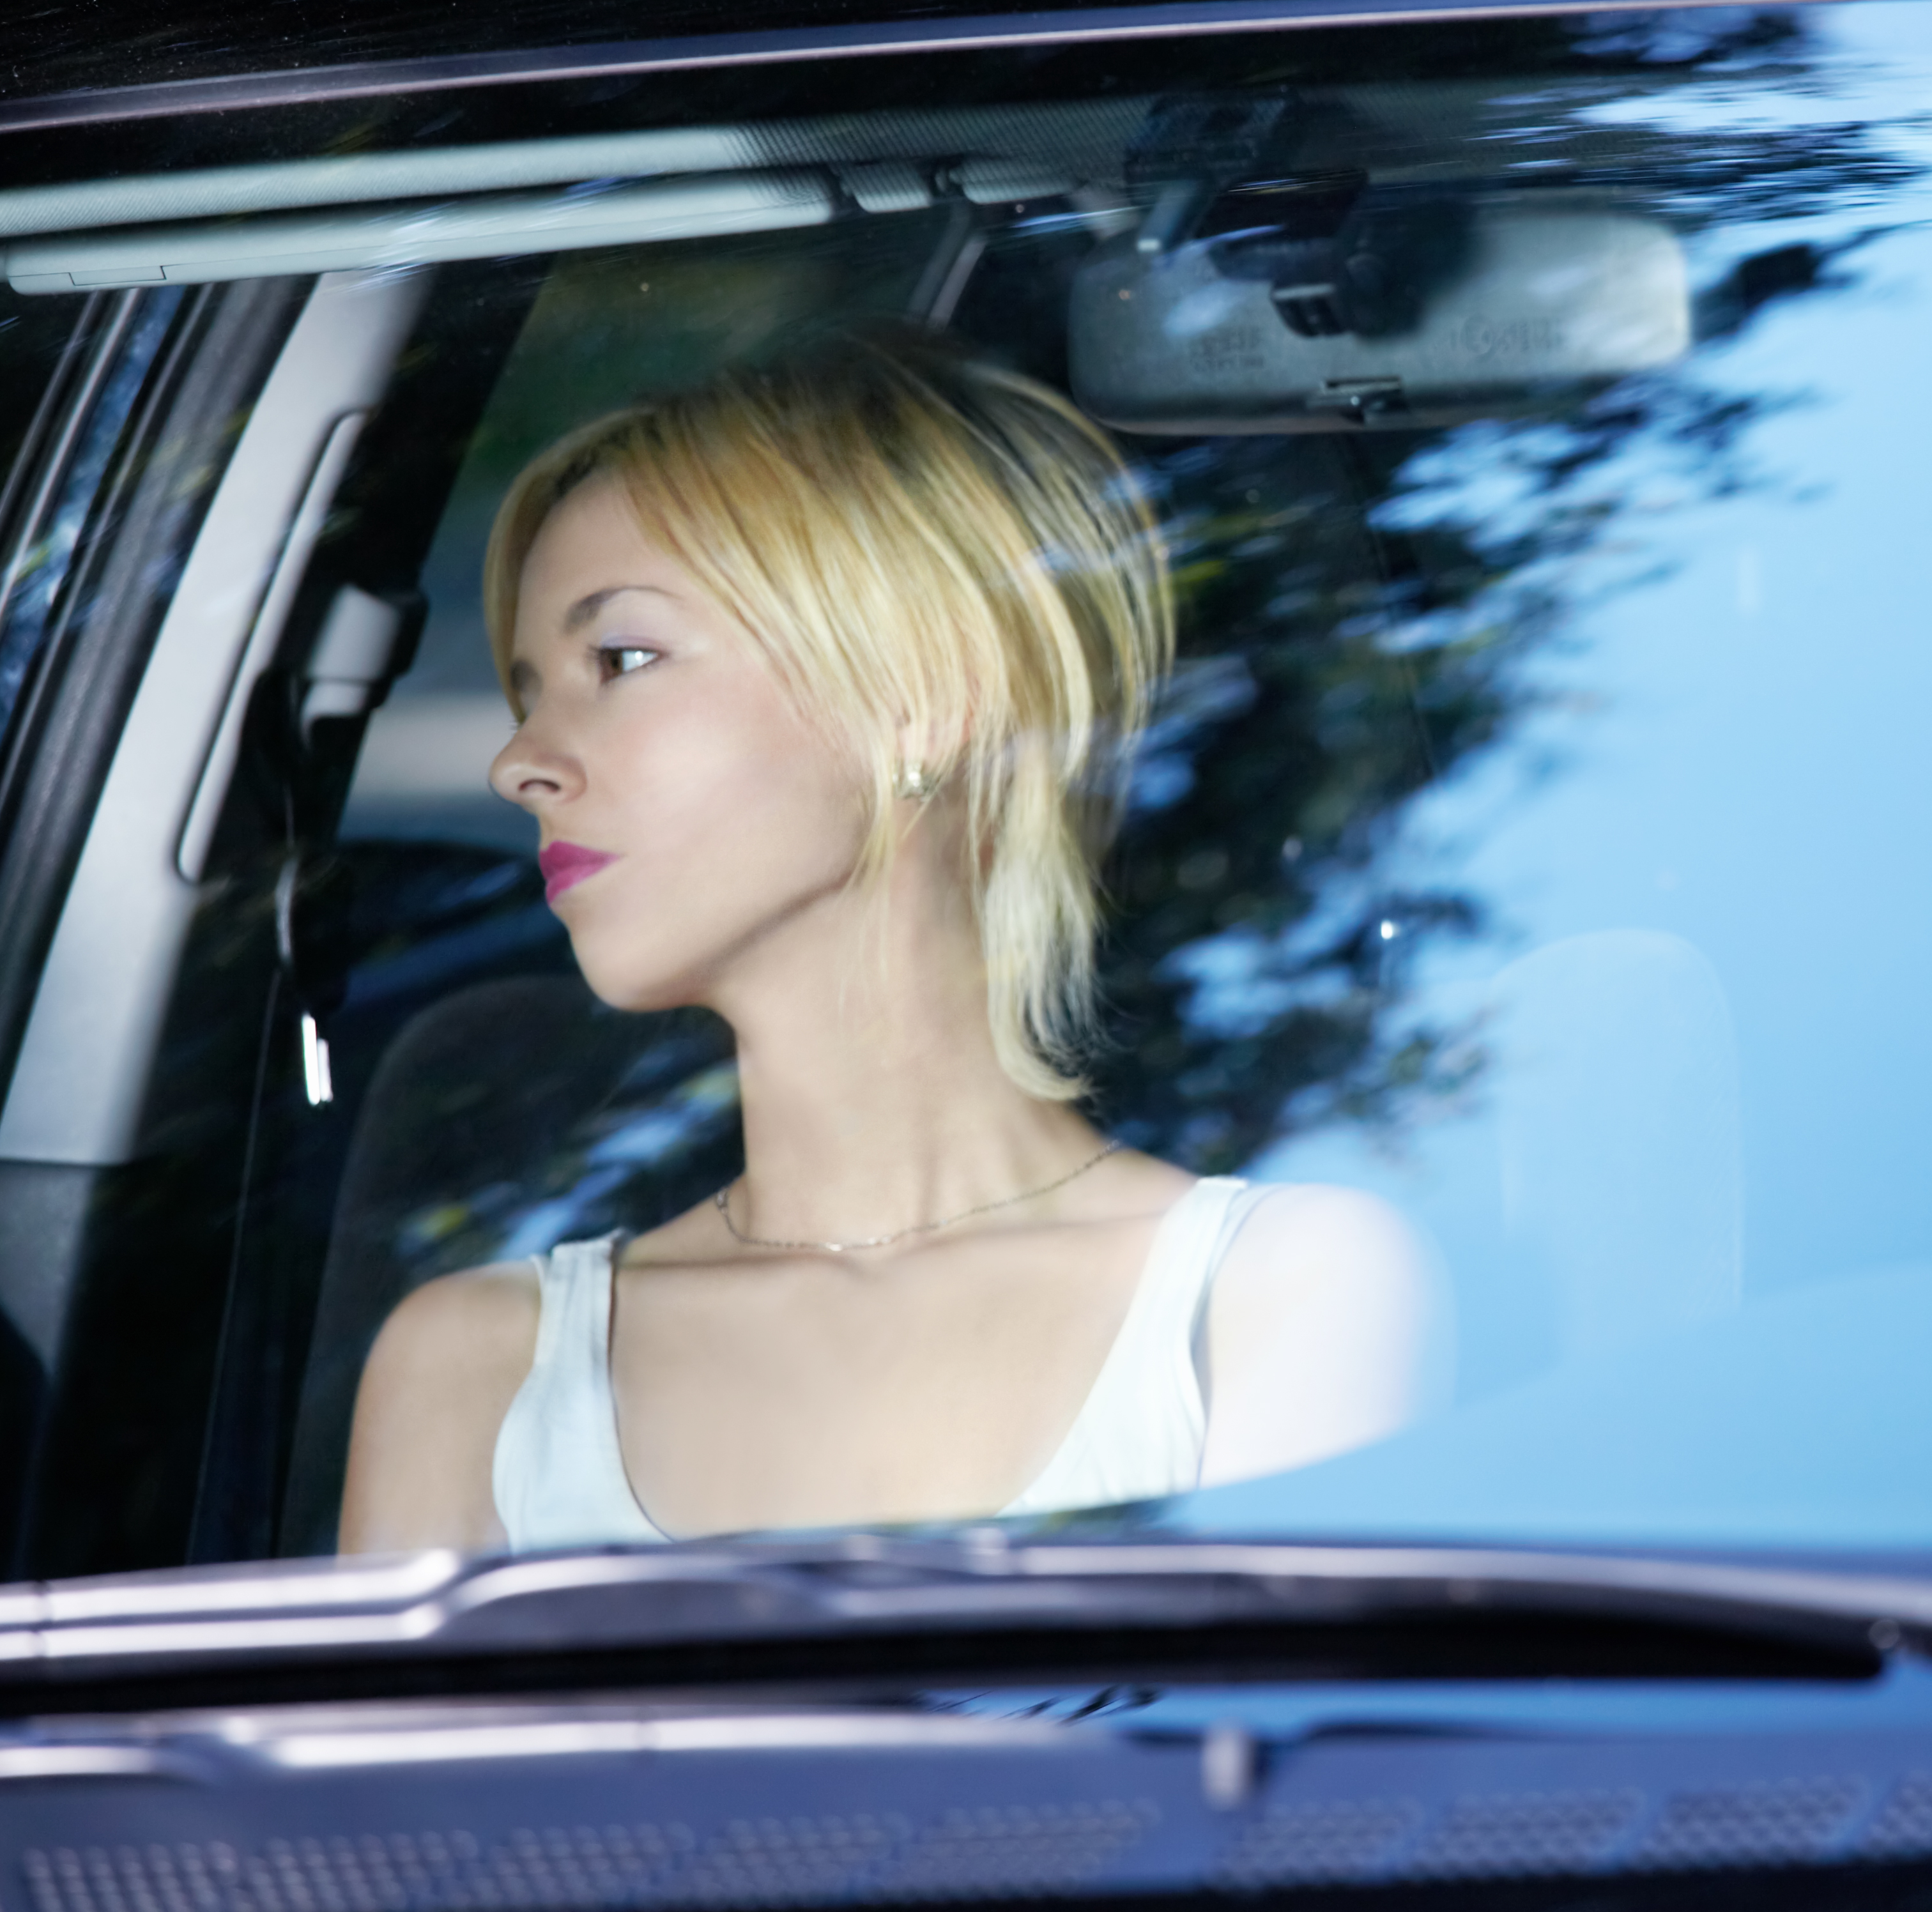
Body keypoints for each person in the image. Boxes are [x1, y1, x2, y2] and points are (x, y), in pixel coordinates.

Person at [339, 338, 1435, 1552]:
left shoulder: (1272, 1299)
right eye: (526, 691)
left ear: (923, 696)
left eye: (623, 659)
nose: (518, 763)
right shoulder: (477, 1373)